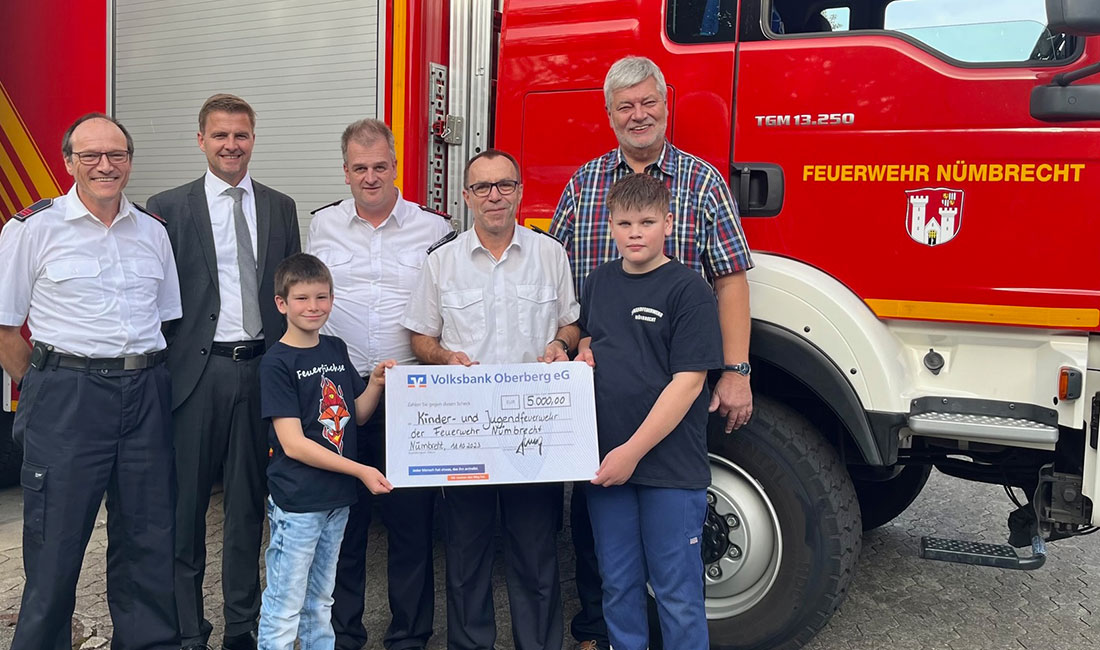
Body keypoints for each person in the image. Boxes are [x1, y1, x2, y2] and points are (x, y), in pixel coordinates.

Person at [548, 55, 754, 650]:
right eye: (625, 106)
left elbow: (731, 279)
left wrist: (736, 370)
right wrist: (567, 346)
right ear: (609, 114)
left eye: (648, 103)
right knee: (606, 563)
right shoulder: (583, 185)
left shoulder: (702, 183)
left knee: (674, 582)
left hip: (669, 420)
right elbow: (562, 285)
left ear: (666, 105)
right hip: (599, 416)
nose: (638, 115)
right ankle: (601, 635)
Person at [0, 113, 182, 650]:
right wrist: (43, 386)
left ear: (129, 161)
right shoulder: (32, 229)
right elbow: (5, 329)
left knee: (148, 542)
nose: (105, 165)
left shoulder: (153, 231)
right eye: (91, 155)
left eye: (116, 155)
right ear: (69, 162)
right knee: (54, 547)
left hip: (144, 394)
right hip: (67, 397)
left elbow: (164, 318)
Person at [401, 149, 580, 650]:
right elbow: (420, 336)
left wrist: (560, 344)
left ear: (520, 191)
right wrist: (443, 357)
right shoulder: (441, 262)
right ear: (466, 196)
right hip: (467, 435)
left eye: (504, 185)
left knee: (536, 555)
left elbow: (570, 322)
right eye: (482, 187)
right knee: (466, 557)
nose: (494, 196)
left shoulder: (551, 254)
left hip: (532, 432)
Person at [147, 93, 301, 650]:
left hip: (261, 372)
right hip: (197, 376)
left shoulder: (280, 207)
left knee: (246, 510)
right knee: (186, 509)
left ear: (253, 139)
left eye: (241, 135)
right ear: (201, 141)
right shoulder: (167, 207)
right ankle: (189, 631)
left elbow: (291, 295)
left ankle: (242, 628)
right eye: (220, 135)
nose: (231, 145)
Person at [306, 118, 452, 650]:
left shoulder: (433, 229)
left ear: (396, 167)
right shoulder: (322, 225)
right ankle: (344, 636)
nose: (371, 177)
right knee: (343, 526)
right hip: (339, 394)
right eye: (360, 168)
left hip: (410, 394)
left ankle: (409, 637)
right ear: (345, 172)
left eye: (380, 166)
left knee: (411, 527)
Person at [577, 173, 721, 650]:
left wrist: (631, 453)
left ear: (669, 223)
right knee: (618, 585)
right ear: (610, 226)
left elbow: (689, 383)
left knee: (677, 593)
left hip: (668, 468)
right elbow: (594, 336)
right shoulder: (599, 282)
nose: (635, 233)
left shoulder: (689, 290)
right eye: (625, 223)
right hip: (606, 465)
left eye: (647, 222)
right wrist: (579, 350)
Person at [257, 252, 395, 650]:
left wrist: (376, 384)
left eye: (322, 297)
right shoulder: (276, 362)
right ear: (281, 303)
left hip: (337, 500)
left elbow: (358, 415)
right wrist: (360, 470)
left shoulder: (335, 348)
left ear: (332, 299)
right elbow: (293, 444)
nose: (313, 307)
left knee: (321, 601)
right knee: (285, 604)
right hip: (299, 501)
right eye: (301, 298)